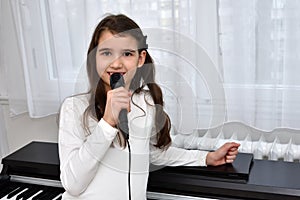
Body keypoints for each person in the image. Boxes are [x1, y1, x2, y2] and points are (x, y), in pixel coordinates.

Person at [58, 14, 240, 200]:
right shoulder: (74, 108)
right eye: (106, 53)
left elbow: (152, 153)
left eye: (127, 54)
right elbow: (72, 184)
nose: (116, 63)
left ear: (140, 58)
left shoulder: (145, 103)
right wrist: (107, 123)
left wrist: (206, 158)